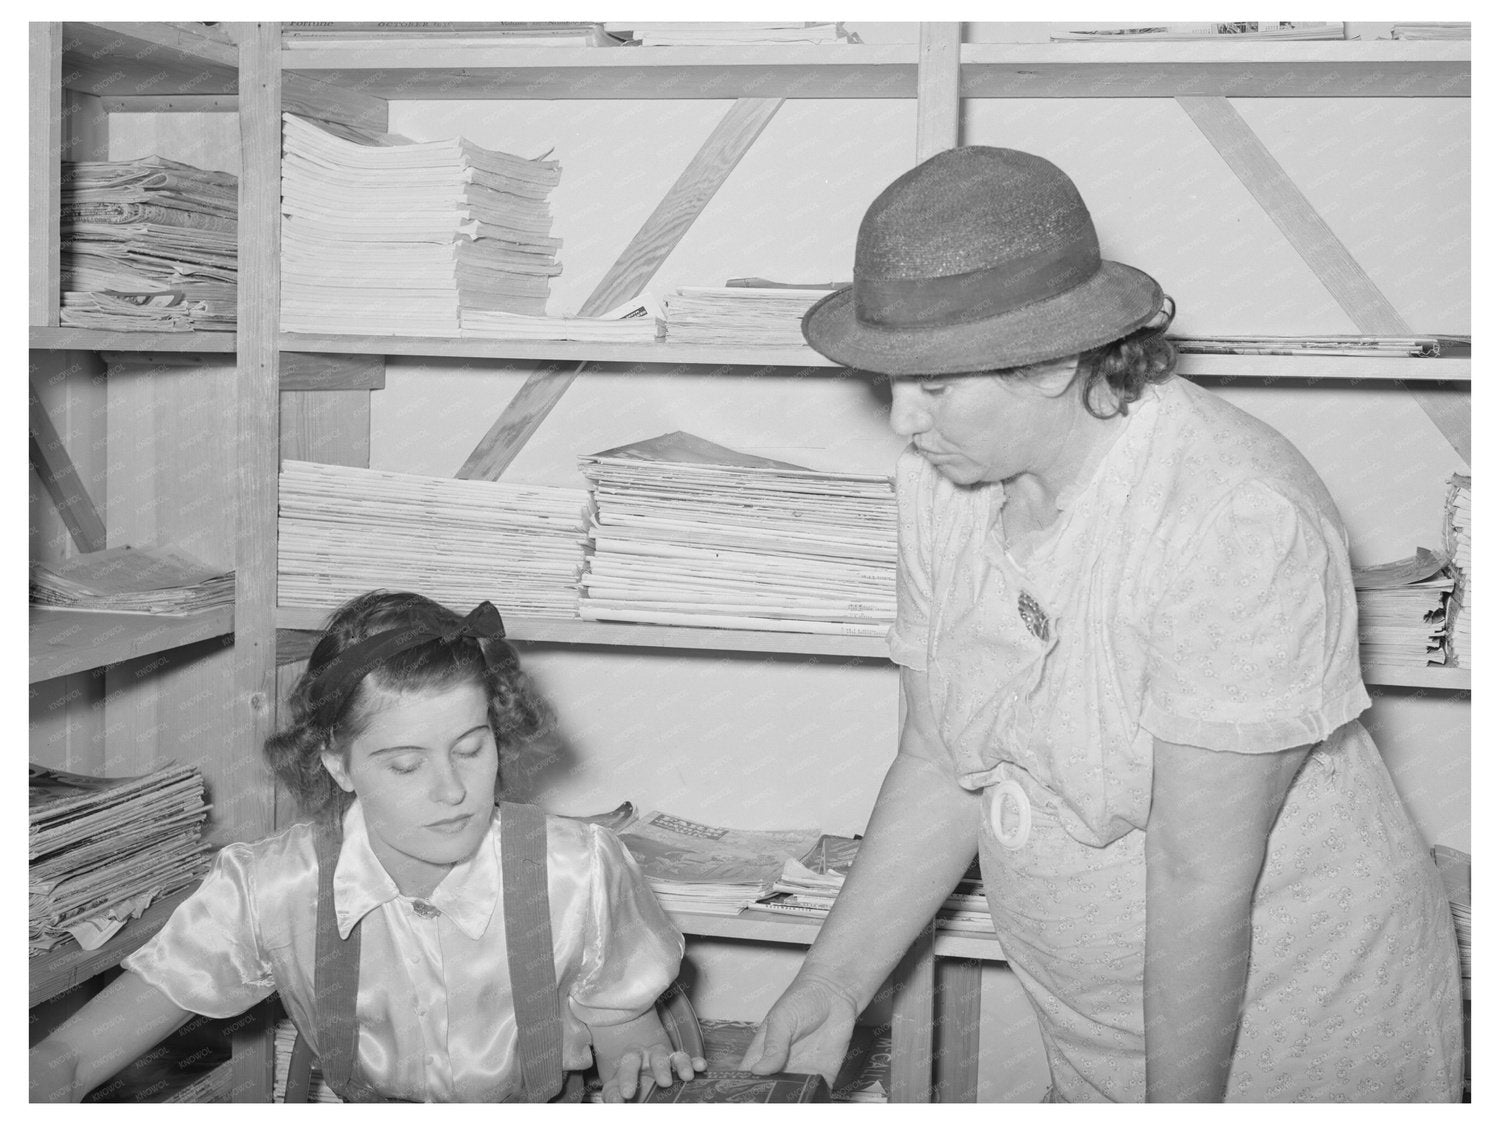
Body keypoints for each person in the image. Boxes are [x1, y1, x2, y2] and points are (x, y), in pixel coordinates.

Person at [740, 146, 1464, 1102]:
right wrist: (833, 983)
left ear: (1048, 362)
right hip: (1100, 1026)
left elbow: (1199, 871)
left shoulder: (1231, 515)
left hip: (1298, 1022)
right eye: (891, 382)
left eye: (933, 384)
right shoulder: (945, 479)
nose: (902, 420)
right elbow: (940, 757)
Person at [30, 591, 705, 1103]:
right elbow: (72, 1056)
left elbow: (630, 1039)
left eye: (472, 748)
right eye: (406, 765)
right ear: (338, 764)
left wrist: (637, 1069)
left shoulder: (578, 870)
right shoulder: (270, 887)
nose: (453, 790)